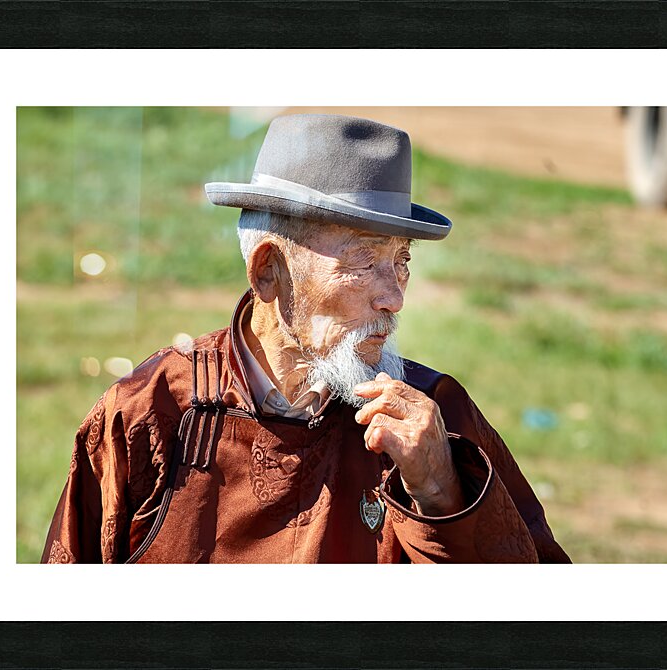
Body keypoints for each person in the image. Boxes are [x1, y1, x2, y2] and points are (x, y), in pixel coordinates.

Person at [41, 114, 571, 564]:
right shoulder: (151, 416)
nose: (394, 298)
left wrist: (442, 491)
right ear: (269, 270)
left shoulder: (436, 420)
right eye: (364, 261)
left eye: (401, 262)